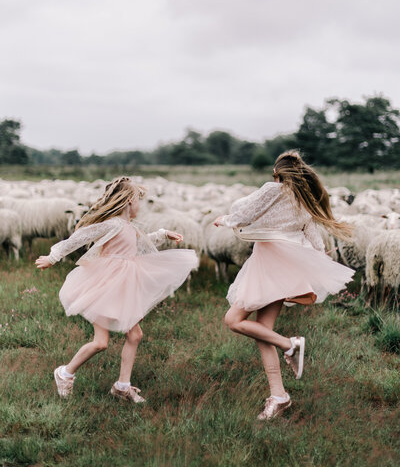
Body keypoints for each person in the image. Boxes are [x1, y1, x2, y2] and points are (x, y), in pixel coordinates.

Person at [214, 150, 354, 421]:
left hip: (268, 266)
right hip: (283, 268)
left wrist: (225, 220)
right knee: (262, 332)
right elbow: (316, 243)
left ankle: (291, 344)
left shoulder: (272, 189)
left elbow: (246, 212)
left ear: (277, 174)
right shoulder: (304, 202)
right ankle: (279, 396)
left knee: (233, 320)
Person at [35, 176, 198, 402]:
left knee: (135, 334)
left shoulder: (129, 226)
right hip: (105, 285)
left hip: (124, 285)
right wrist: (54, 256)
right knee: (101, 342)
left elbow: (139, 245)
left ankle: (122, 386)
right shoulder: (112, 224)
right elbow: (81, 236)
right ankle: (64, 373)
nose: (140, 205)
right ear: (130, 200)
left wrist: (162, 234)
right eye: (139, 200)